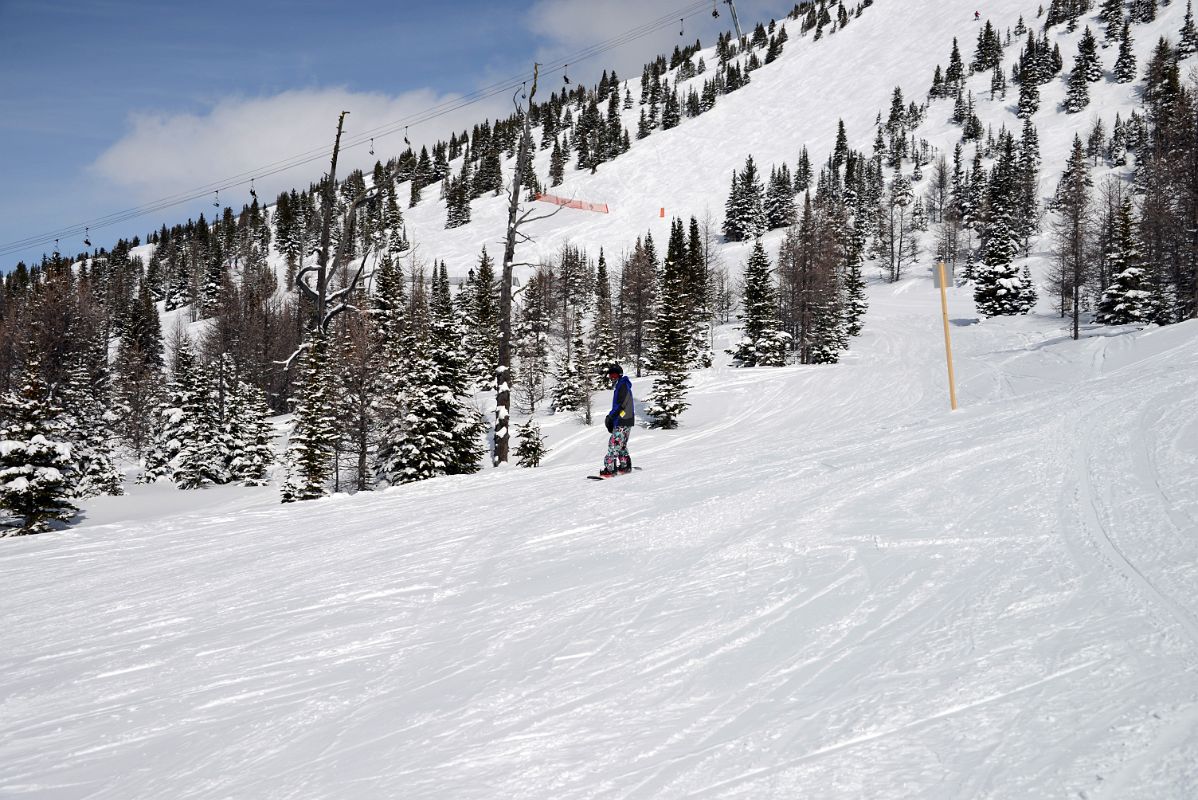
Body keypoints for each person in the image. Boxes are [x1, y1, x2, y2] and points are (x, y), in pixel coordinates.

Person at [600, 364, 634, 477]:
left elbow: (620, 404)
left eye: (614, 375)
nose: (612, 377)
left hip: (622, 420)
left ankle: (610, 469)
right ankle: (625, 466)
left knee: (613, 445)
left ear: (619, 375)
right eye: (610, 375)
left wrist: (610, 417)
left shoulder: (622, 385)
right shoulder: (622, 385)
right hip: (626, 420)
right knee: (622, 445)